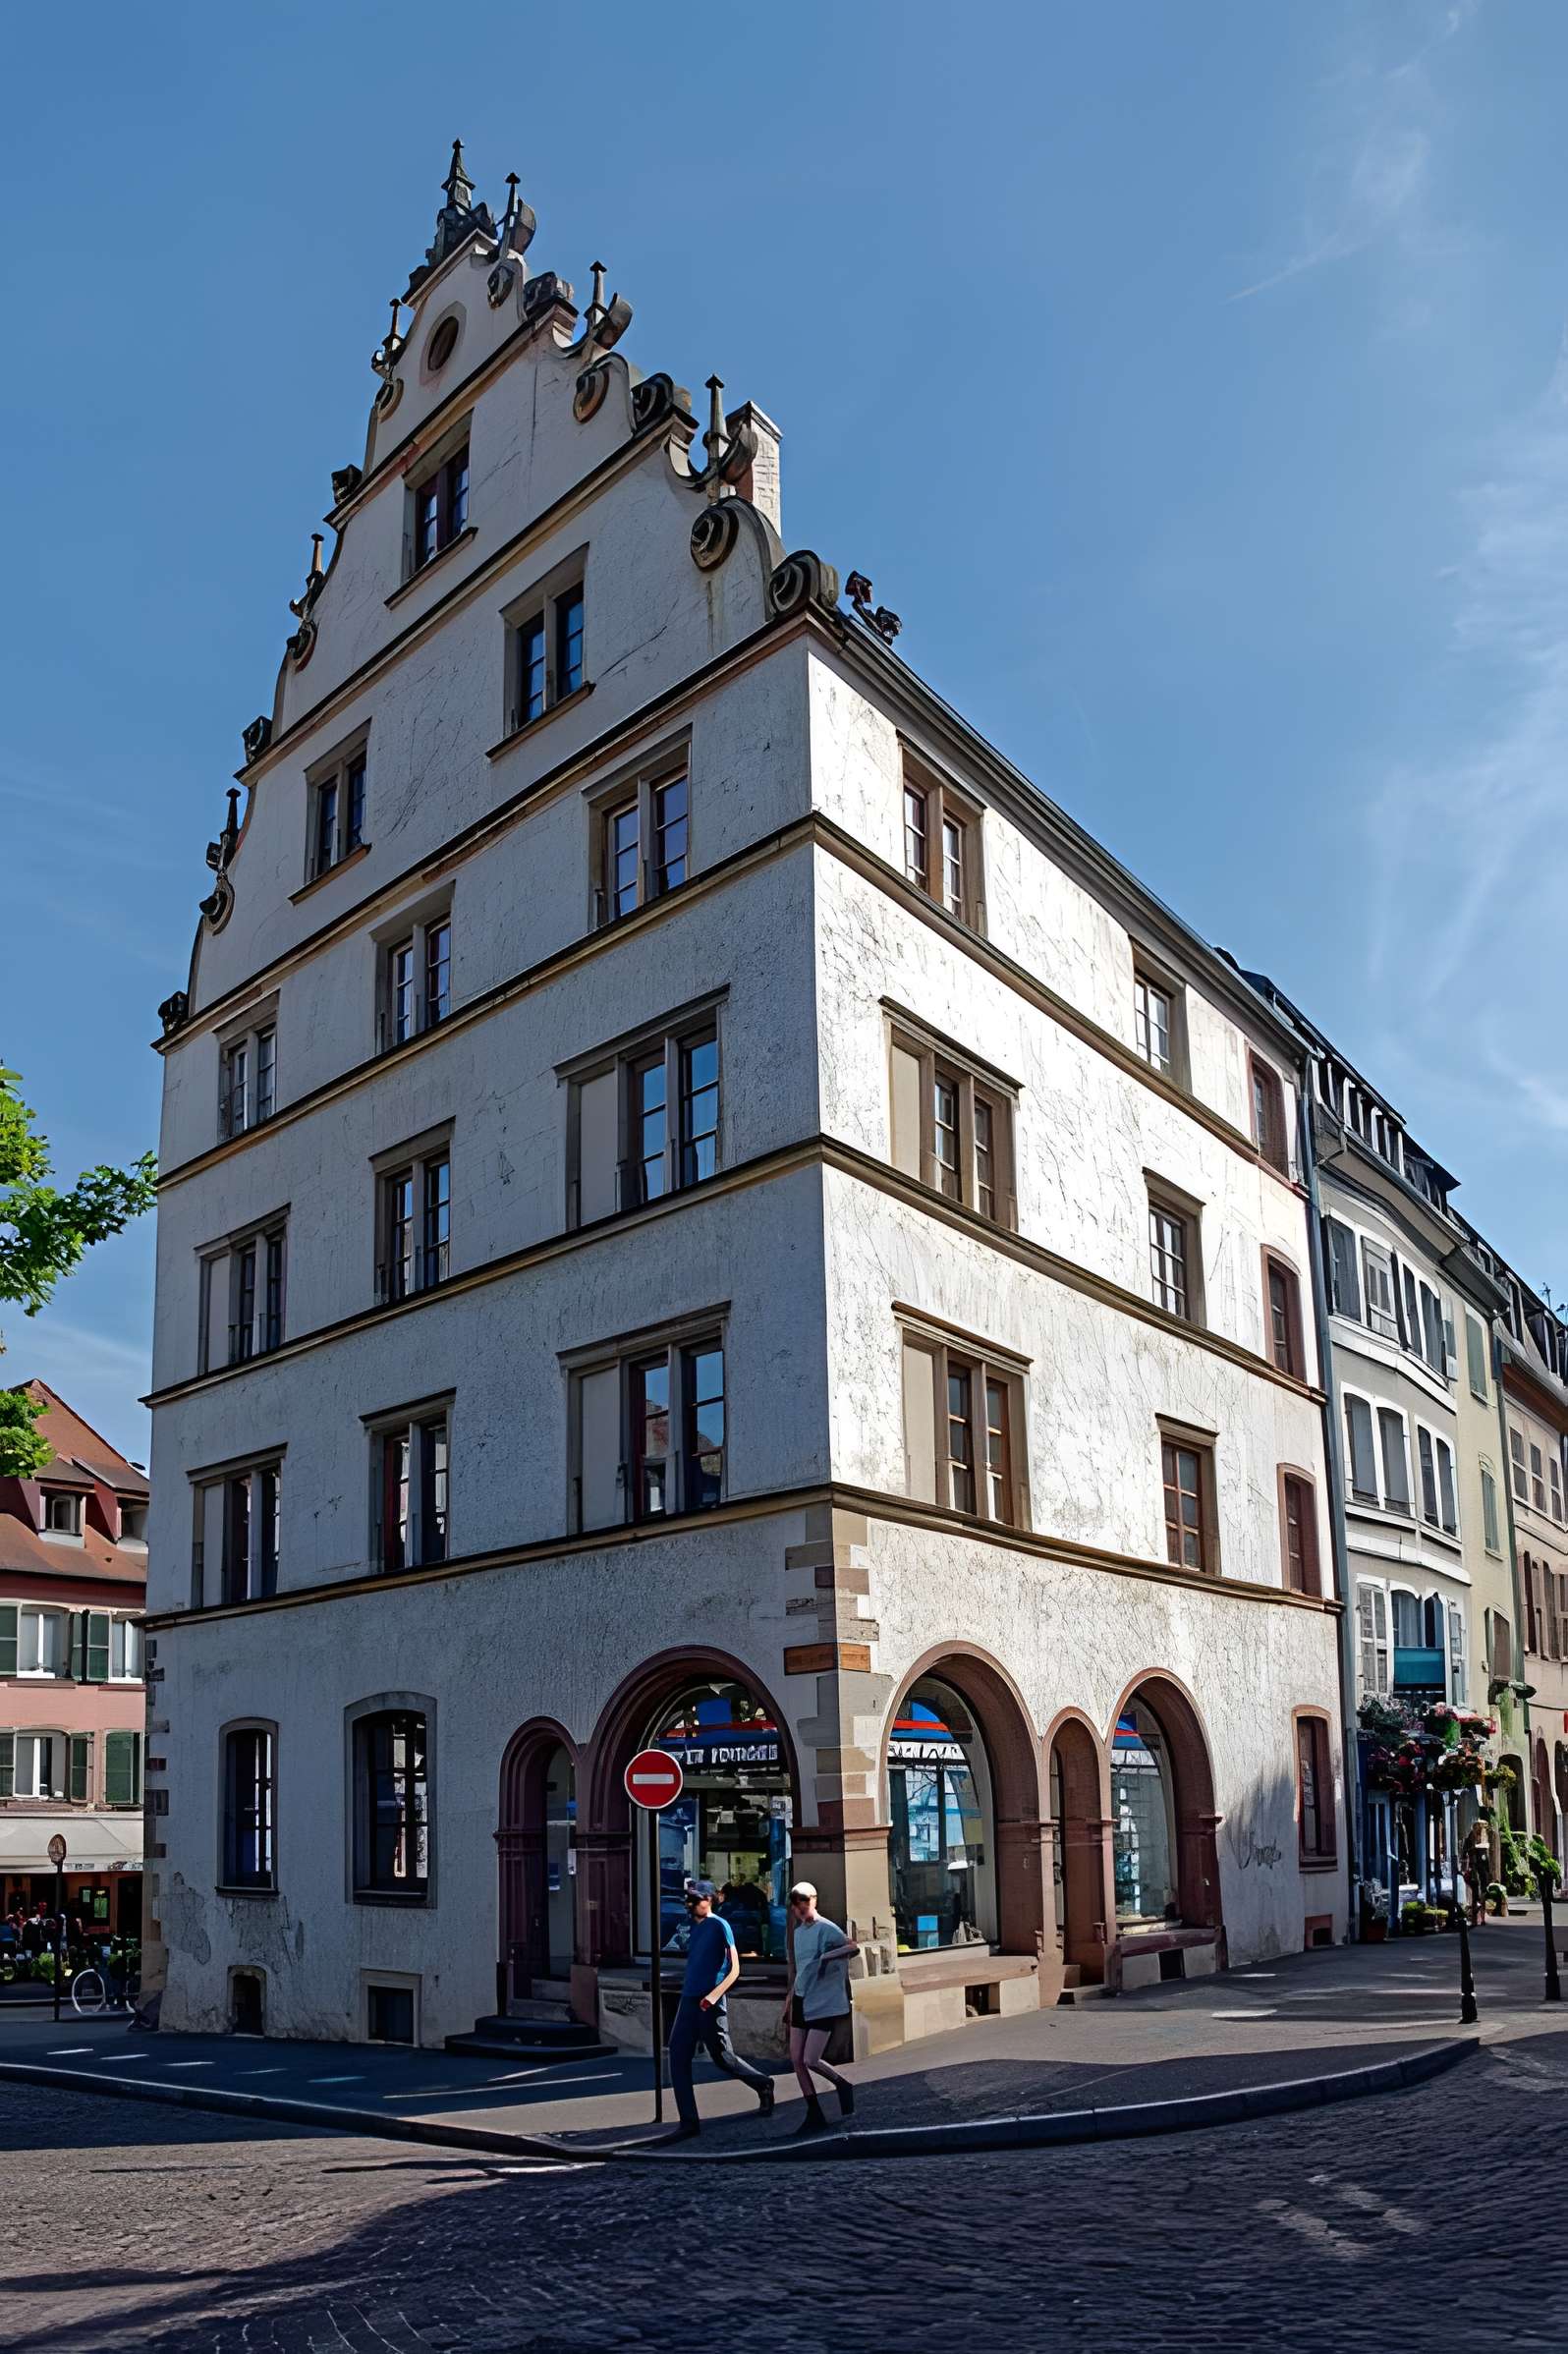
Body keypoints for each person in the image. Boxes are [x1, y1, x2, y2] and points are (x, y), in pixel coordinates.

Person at [660, 1879, 775, 2143]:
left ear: (710, 1900)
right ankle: (689, 2121)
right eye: (689, 1899)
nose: (690, 1904)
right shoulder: (692, 1927)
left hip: (710, 2001)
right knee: (677, 2056)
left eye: (696, 1899)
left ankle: (762, 2083)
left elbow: (735, 1970)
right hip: (688, 1999)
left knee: (722, 2056)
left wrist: (713, 1996)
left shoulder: (720, 1925)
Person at [781, 1880, 860, 2135]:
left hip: (823, 2001)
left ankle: (842, 2083)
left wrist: (827, 1956)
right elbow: (800, 1968)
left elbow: (853, 1947)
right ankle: (814, 2112)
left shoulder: (827, 1928)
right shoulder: (798, 1932)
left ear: (814, 1901)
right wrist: (790, 1998)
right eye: (797, 1906)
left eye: (805, 1903)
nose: (801, 1909)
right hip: (802, 1997)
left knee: (810, 2059)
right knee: (796, 2059)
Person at [1461, 1821, 1492, 1929]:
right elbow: (1485, 1858)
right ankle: (1480, 1919)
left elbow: (1463, 1855)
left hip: (1476, 1869)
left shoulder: (1474, 1840)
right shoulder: (1479, 1840)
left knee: (1477, 1894)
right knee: (1480, 1894)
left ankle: (1477, 1919)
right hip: (1479, 1869)